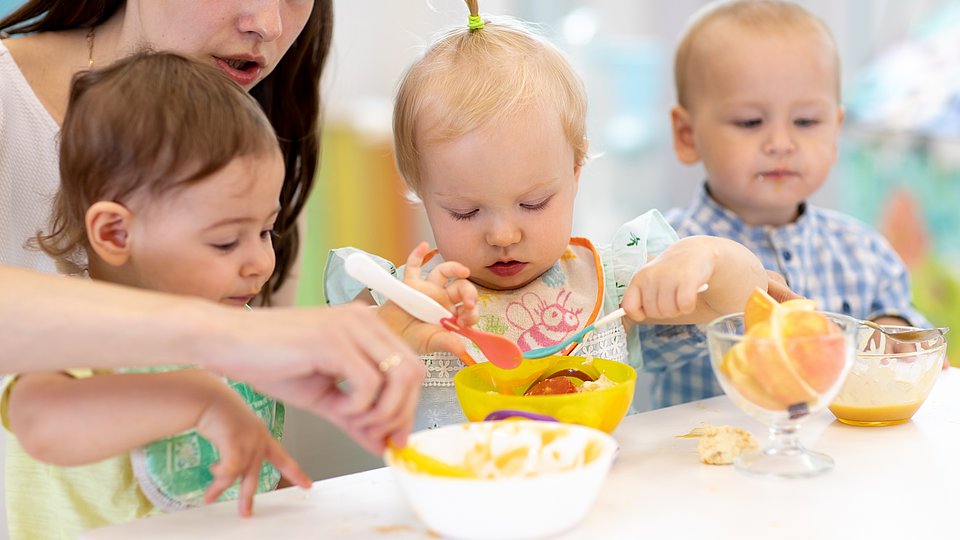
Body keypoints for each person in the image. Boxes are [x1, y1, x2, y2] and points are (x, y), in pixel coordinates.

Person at [1, 51, 478, 540]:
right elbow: (35, 422)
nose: (260, 262)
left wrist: (394, 321)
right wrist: (198, 401)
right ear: (117, 234)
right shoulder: (80, 331)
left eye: (266, 231)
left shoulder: (230, 315)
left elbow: (312, 366)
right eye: (226, 241)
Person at [0, 1, 428, 452]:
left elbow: (256, 419)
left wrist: (373, 336)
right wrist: (233, 340)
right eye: (224, 241)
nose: (268, 25)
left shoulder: (260, 131)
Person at [325, 5, 771, 431]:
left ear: (576, 173)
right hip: (462, 502)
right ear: (421, 191)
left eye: (534, 203)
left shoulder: (610, 283)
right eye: (465, 211)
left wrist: (707, 255)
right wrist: (389, 332)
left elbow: (746, 300)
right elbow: (325, 384)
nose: (503, 234)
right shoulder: (405, 303)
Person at [641, 0, 932, 409]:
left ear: (835, 131)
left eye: (807, 122)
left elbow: (910, 335)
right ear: (687, 135)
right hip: (704, 463)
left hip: (837, 464)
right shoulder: (666, 250)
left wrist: (890, 331)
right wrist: (711, 292)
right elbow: (645, 352)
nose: (781, 142)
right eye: (749, 122)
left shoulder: (864, 252)